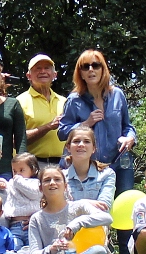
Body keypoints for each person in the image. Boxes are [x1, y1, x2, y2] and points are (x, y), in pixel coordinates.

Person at [58, 50, 135, 193]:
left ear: (103, 69)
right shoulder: (74, 100)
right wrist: (86, 123)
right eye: (85, 67)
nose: (91, 70)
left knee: (124, 205)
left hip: (119, 163)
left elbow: (127, 126)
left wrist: (130, 138)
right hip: (88, 167)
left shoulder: (117, 95)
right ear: (80, 73)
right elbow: (62, 132)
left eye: (95, 65)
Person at [17, 163, 113, 254]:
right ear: (40, 188)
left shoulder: (79, 206)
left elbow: (107, 218)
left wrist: (78, 222)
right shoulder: (36, 218)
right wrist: (51, 249)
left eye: (57, 179)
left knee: (99, 251)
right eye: (47, 180)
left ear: (65, 186)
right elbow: (35, 253)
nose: (52, 183)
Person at [18, 54, 66, 161]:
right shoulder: (19, 102)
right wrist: (48, 127)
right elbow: (16, 139)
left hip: (63, 165)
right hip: (34, 165)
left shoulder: (64, 101)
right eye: (38, 68)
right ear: (28, 76)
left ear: (54, 74)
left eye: (47, 68)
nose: (43, 71)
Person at [61, 124, 116, 209]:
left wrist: (75, 205)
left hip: (97, 222)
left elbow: (104, 207)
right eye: (76, 141)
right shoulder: (60, 178)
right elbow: (59, 209)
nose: (81, 144)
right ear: (68, 147)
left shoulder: (107, 174)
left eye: (87, 141)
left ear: (93, 148)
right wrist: (84, 203)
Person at [0, 149, 41, 230]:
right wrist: (0, 182)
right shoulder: (13, 182)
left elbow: (34, 194)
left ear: (33, 170)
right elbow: (7, 186)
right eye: (14, 171)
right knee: (15, 242)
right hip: (15, 224)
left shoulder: (36, 183)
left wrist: (18, 180)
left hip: (32, 224)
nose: (17, 174)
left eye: (21, 170)